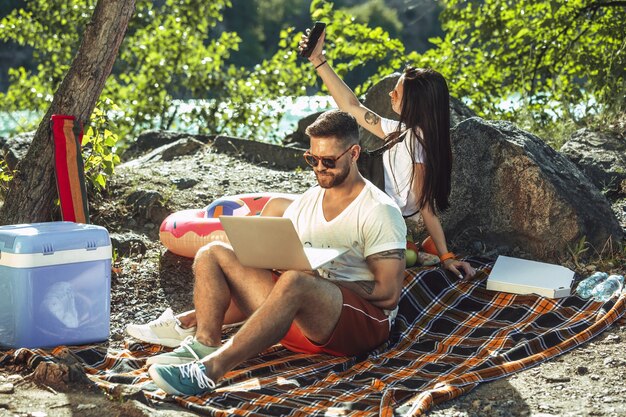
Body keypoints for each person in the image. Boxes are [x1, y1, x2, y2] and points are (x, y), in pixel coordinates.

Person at [145, 110, 408, 396]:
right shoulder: (307, 203)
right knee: (212, 253)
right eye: (312, 159)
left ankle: (210, 371)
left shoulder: (378, 210)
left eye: (329, 161)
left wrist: (320, 281)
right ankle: (203, 345)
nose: (320, 168)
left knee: (297, 281)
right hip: (294, 320)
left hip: (358, 326)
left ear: (354, 153)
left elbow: (388, 294)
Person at [299, 28, 475, 281]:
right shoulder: (401, 132)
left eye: (397, 92)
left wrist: (446, 256)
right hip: (362, 209)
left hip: (370, 216)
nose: (391, 94)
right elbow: (351, 106)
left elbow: (426, 205)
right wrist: (318, 60)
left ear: (416, 103)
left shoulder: (416, 140)